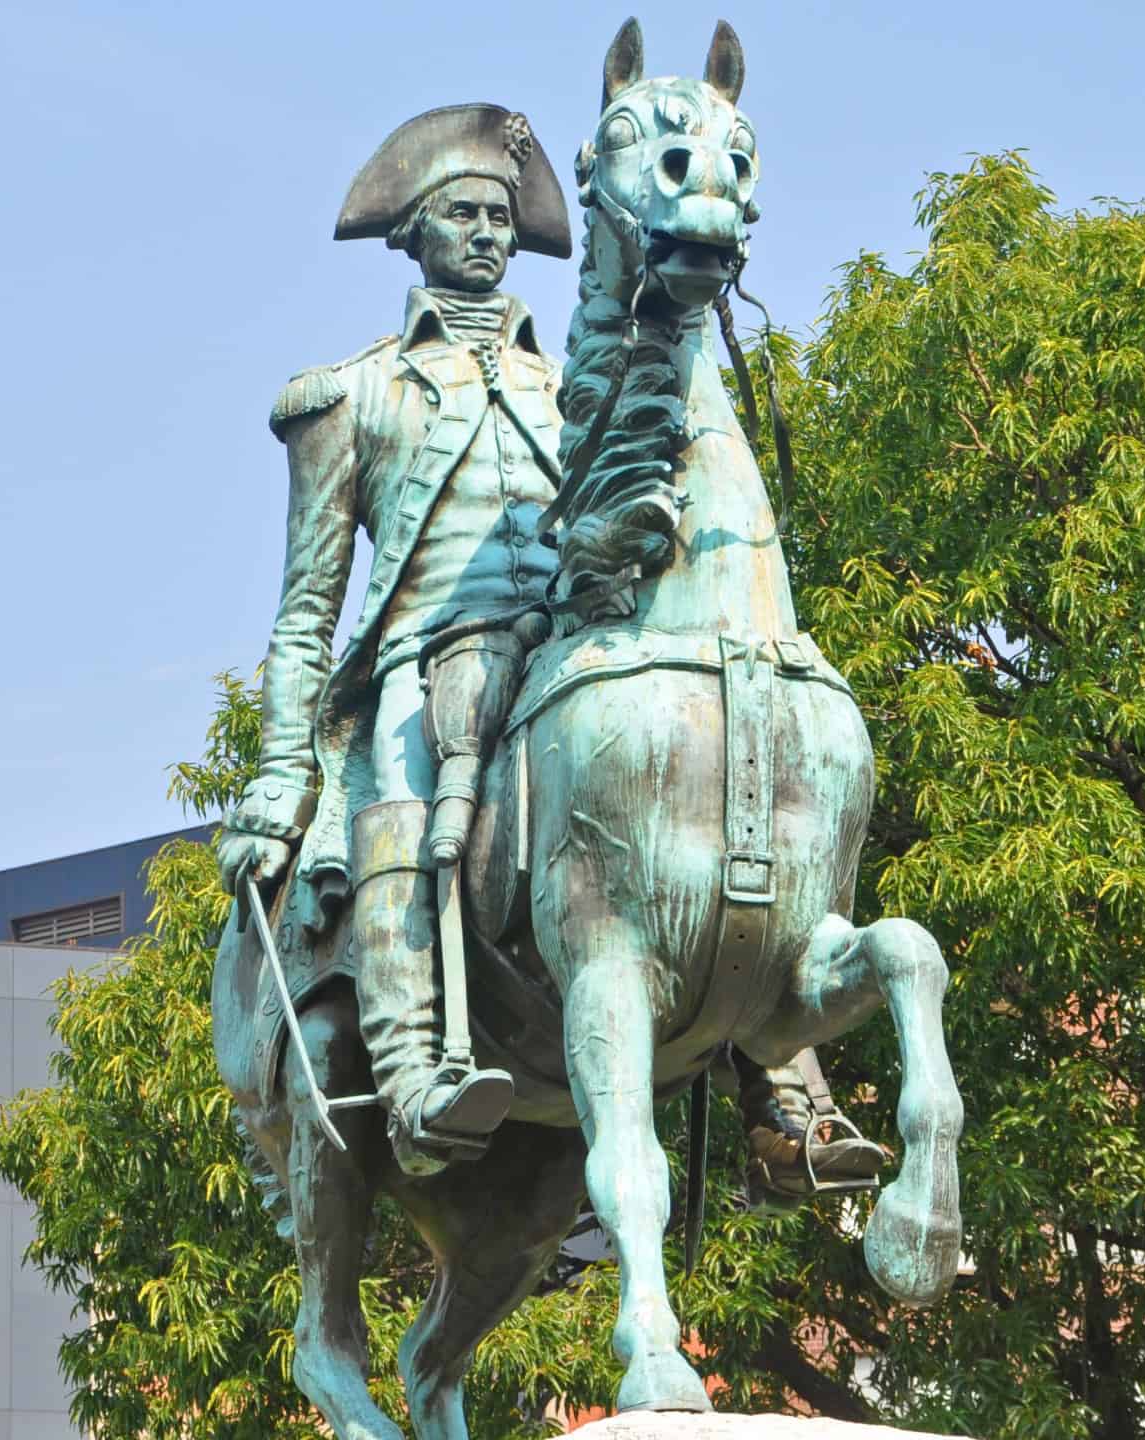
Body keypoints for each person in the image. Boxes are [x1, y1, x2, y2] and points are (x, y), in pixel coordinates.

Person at [218, 104, 882, 1192]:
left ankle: (785, 1089)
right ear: (415, 236)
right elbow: (308, 608)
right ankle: (414, 1063)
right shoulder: (356, 394)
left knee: (716, 767)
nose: (484, 235)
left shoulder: (561, 378)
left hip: (576, 639)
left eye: (498, 219)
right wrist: (279, 773)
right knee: (400, 784)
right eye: (461, 216)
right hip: (429, 658)